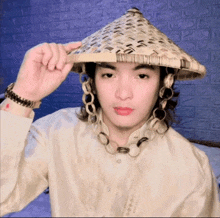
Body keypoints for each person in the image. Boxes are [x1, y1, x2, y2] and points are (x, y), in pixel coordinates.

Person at [1, 8, 219, 217]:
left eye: (142, 76)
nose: (123, 94)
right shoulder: (54, 132)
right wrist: (23, 96)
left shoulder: (191, 168)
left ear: (164, 84)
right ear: (92, 82)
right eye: (108, 75)